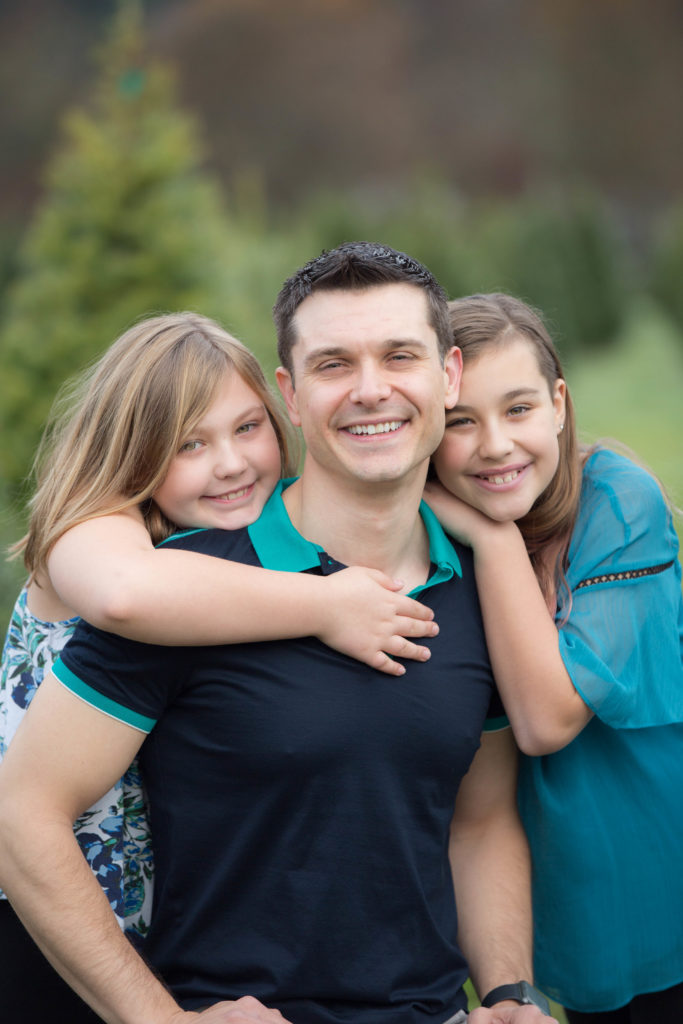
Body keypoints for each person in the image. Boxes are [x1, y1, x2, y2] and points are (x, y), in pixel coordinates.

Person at [0, 244, 556, 1024]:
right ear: (292, 395)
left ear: (449, 376)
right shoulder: (183, 589)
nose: (371, 390)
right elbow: (22, 813)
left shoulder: (479, 583)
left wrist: (509, 992)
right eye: (334, 365)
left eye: (399, 355)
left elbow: (480, 817)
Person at [424, 292, 683, 1023]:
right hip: (537, 884)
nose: (495, 445)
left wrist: (496, 541)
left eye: (517, 410)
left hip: (653, 873)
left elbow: (544, 720)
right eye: (459, 422)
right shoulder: (419, 529)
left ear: (559, 404)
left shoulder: (615, 502)